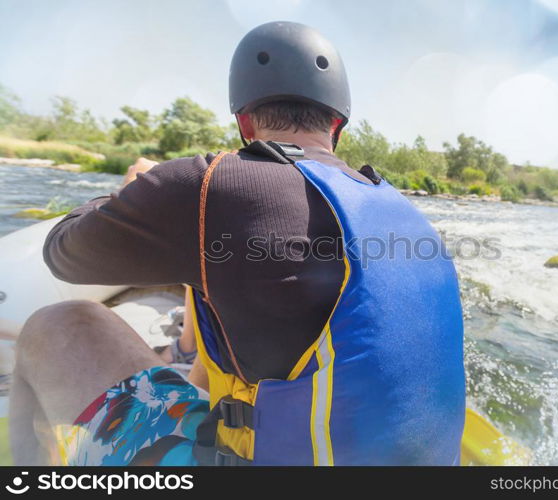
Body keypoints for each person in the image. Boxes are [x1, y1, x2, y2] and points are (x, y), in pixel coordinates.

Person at [10, 21, 465, 466]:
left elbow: (62, 254)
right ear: (337, 126)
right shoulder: (407, 214)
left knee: (57, 323)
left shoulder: (209, 184)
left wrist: (129, 192)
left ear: (244, 121)